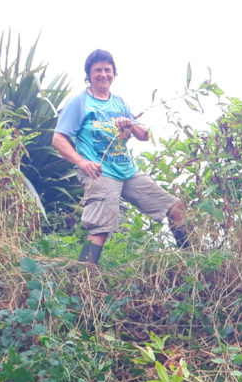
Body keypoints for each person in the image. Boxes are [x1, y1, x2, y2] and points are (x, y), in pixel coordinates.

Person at [52, 50, 190, 264]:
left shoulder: (118, 103)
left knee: (175, 208)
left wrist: (131, 124)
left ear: (114, 73)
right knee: (100, 229)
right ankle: (82, 282)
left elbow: (144, 135)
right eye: (98, 70)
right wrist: (82, 162)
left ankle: (194, 262)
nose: (103, 74)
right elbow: (58, 139)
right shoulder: (80, 102)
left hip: (128, 172)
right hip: (100, 174)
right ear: (89, 74)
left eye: (108, 69)